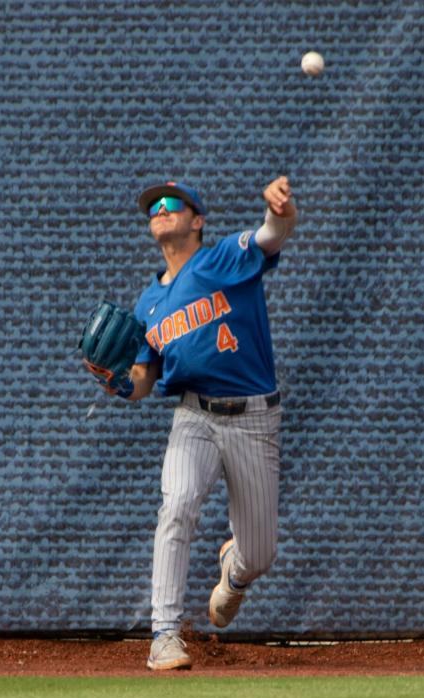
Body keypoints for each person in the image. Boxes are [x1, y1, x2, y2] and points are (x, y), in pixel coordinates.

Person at [105, 177, 297, 670]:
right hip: (194, 415)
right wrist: (119, 382)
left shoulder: (220, 260)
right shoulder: (148, 302)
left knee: (261, 556)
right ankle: (164, 635)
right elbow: (145, 377)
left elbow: (270, 236)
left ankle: (234, 572)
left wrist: (279, 211)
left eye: (172, 204)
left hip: (255, 418)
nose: (160, 211)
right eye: (153, 208)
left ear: (197, 220)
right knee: (177, 505)